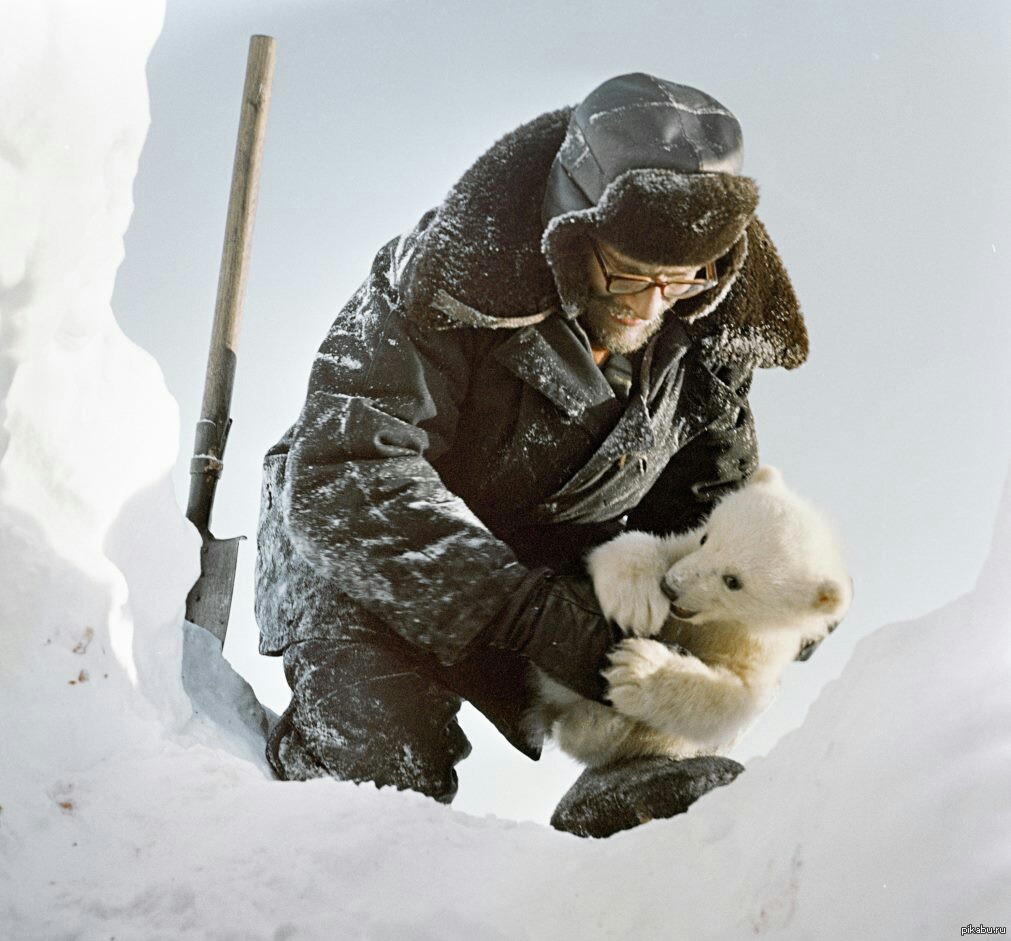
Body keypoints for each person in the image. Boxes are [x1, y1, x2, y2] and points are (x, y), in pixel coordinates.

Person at [254, 73, 808, 828]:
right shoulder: (436, 278)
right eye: (626, 270)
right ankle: (304, 778)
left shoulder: (705, 318)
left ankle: (625, 788)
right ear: (567, 229)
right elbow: (347, 474)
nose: (650, 304)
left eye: (679, 279)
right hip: (371, 556)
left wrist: (773, 601)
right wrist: (525, 612)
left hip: (562, 564)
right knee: (376, 787)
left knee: (685, 673)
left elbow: (706, 507)